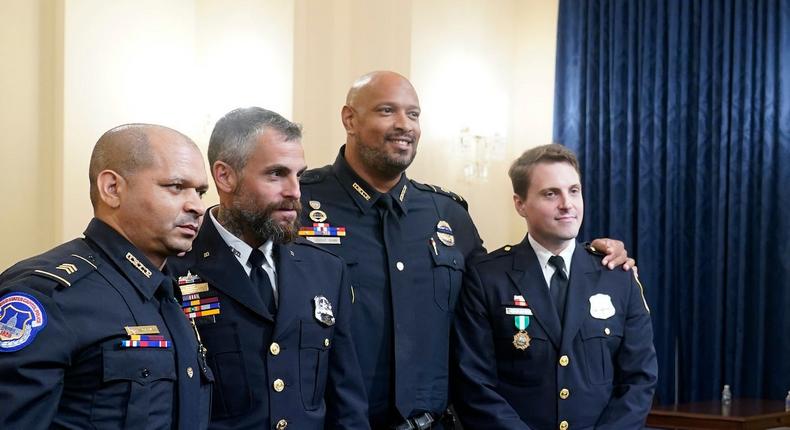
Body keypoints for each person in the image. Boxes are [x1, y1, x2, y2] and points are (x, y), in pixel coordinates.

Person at [298, 70, 635, 429]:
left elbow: (507, 284)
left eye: (413, 114)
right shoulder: (301, 203)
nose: (404, 125)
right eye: (386, 111)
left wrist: (584, 257)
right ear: (349, 119)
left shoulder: (447, 214)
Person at [0, 124, 213, 429]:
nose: (196, 206)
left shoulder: (171, 292)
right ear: (112, 188)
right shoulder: (47, 295)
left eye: (200, 192)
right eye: (176, 186)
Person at [168, 107, 369, 429]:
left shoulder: (325, 270)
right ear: (225, 176)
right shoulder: (174, 269)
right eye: (276, 174)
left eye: (298, 175)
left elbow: (346, 401)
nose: (295, 192)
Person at [451, 144, 658, 430]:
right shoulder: (487, 278)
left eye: (574, 191)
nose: (567, 204)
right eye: (551, 193)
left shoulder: (617, 275)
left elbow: (639, 378)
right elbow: (474, 383)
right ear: (520, 203)